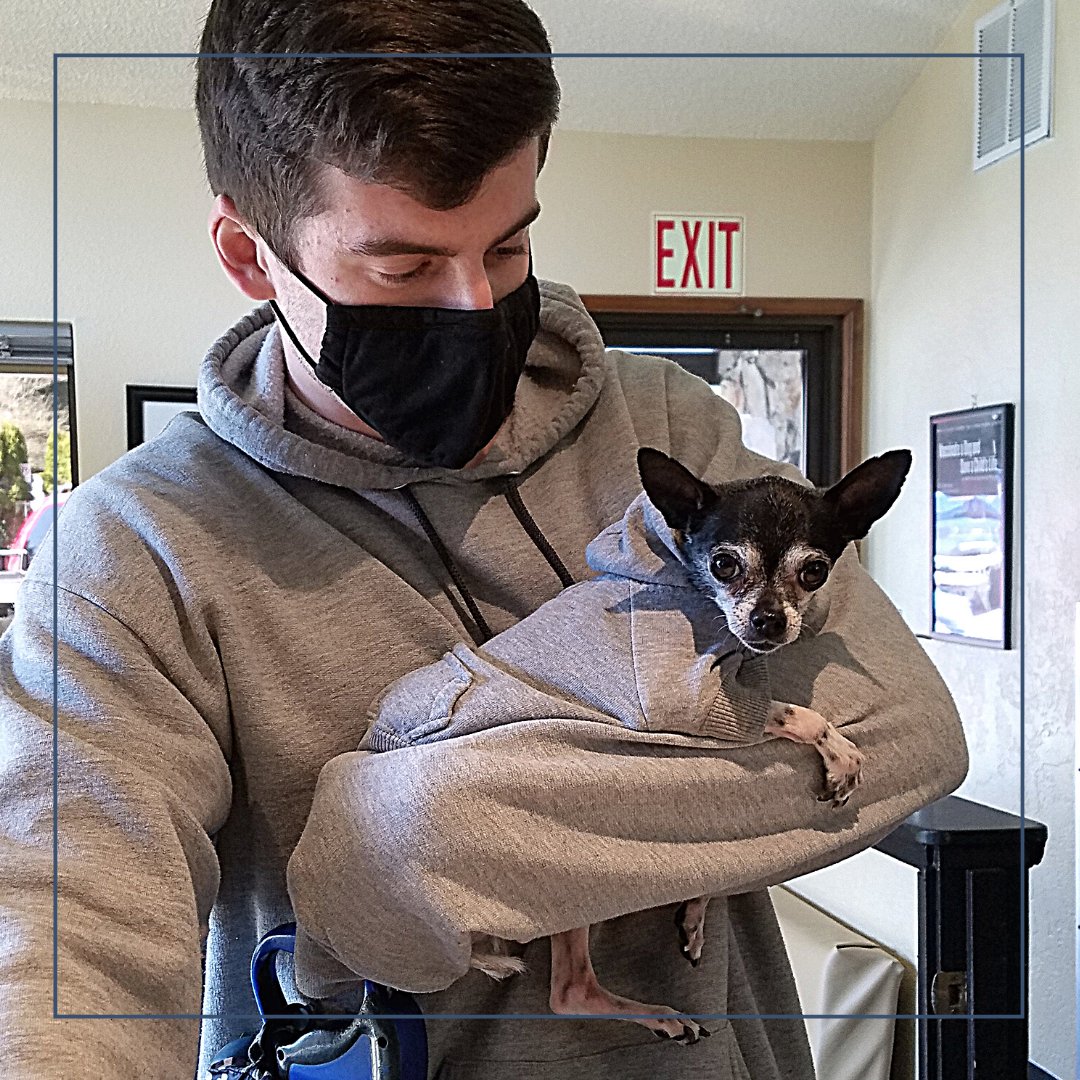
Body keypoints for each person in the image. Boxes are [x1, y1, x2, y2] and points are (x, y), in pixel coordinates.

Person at [0, 1, 968, 1077]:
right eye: (403, 268)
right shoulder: (129, 549)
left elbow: (906, 735)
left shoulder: (670, 426)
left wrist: (411, 831)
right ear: (250, 255)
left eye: (509, 246)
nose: (474, 306)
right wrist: (686, 785)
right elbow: (69, 941)